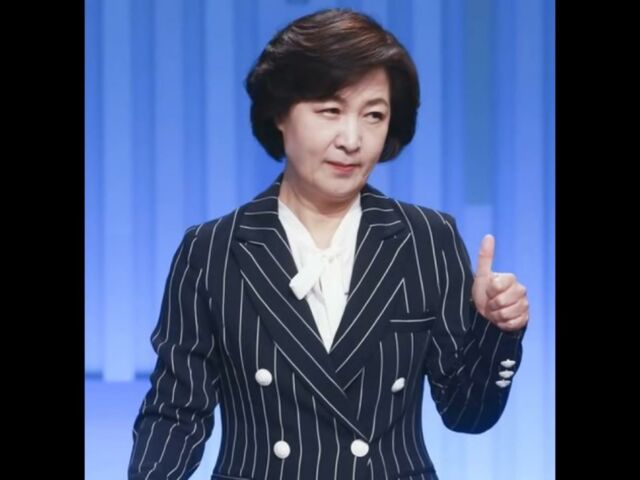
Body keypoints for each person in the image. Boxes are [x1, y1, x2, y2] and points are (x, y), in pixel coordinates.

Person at [128, 8, 529, 480]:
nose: (352, 140)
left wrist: (494, 328)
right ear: (280, 112)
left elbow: (468, 415)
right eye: (330, 111)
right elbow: (176, 415)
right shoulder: (212, 250)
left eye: (374, 115)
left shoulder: (427, 238)